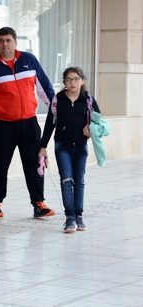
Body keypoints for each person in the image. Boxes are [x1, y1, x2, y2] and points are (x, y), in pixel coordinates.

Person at [0, 26, 56, 219]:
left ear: (15, 42)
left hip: (29, 123)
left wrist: (56, 109)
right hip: (2, 125)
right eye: (1, 41)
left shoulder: (29, 60)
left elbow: (45, 88)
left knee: (34, 162)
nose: (5, 44)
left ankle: (38, 203)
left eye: (8, 40)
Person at [39, 67, 100, 233]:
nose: (72, 83)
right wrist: (43, 146)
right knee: (66, 180)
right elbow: (50, 123)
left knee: (79, 181)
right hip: (62, 146)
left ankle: (79, 216)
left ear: (83, 81)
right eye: (68, 79)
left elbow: (99, 121)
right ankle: (69, 218)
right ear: (64, 82)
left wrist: (90, 129)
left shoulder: (88, 100)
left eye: (75, 79)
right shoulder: (58, 100)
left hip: (81, 146)